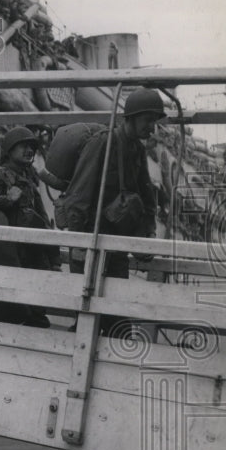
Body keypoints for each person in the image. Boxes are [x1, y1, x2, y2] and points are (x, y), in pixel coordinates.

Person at [64, 89, 162, 334]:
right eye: (147, 120)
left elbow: (147, 196)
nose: (152, 128)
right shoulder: (103, 143)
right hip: (91, 244)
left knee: (117, 321)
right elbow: (79, 194)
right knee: (88, 318)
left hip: (116, 248)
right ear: (131, 117)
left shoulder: (137, 151)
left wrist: (147, 235)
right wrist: (78, 244)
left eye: (154, 122)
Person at [0, 126, 59, 326]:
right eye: (23, 146)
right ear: (9, 150)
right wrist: (6, 199)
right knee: (16, 316)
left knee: (36, 316)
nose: (30, 150)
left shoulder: (28, 181)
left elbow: (41, 220)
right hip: (13, 258)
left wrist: (53, 258)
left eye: (32, 147)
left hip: (32, 257)